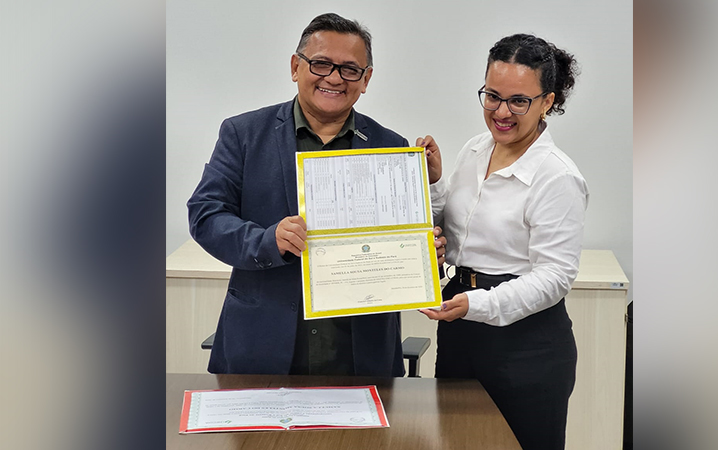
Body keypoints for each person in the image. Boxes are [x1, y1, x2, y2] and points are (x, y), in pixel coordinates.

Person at [187, 13, 445, 376]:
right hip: (261, 347)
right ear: (296, 67)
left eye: (350, 69)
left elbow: (404, 246)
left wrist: (424, 253)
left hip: (360, 356)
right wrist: (267, 240)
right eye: (321, 64)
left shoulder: (390, 147)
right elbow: (206, 214)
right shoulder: (244, 134)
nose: (334, 78)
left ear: (366, 79)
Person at [418, 33, 587, 450]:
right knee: (455, 442)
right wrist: (434, 182)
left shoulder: (557, 176)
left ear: (547, 102)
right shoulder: (476, 149)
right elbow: (453, 230)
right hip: (460, 326)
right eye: (492, 96)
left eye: (518, 101)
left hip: (527, 345)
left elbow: (555, 277)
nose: (501, 112)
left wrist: (478, 304)